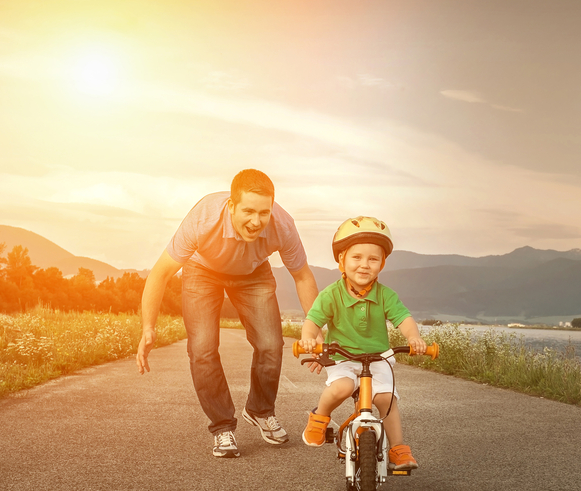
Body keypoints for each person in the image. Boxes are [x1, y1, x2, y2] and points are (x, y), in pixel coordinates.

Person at [136, 169, 319, 459]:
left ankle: (260, 410)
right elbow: (160, 274)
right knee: (203, 347)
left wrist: (315, 326)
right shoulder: (203, 219)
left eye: (264, 212)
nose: (256, 221)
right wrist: (148, 327)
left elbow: (303, 277)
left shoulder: (283, 224)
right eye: (248, 211)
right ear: (231, 206)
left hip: (253, 272)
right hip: (202, 270)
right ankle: (222, 426)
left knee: (271, 344)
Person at [298, 216, 425, 471]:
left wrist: (414, 337)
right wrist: (309, 339)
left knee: (386, 399)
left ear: (382, 263)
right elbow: (313, 321)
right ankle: (319, 418)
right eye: (356, 257)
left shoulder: (385, 295)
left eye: (373, 259)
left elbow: (404, 319)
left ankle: (398, 448)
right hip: (343, 357)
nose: (364, 265)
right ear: (341, 260)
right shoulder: (331, 294)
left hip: (379, 357)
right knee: (342, 387)